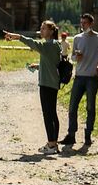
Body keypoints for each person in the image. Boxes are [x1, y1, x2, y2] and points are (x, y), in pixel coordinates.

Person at [4, 20, 67, 153]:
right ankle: (53, 143)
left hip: (47, 83)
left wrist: (18, 36)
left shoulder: (48, 45)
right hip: (52, 82)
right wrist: (39, 66)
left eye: (44, 28)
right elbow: (52, 63)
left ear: (51, 31)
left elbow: (32, 43)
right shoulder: (55, 45)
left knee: (47, 114)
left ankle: (51, 144)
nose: (41, 30)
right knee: (52, 113)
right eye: (41, 28)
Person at [62, 13, 98, 146]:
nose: (82, 25)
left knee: (90, 107)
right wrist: (76, 58)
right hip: (78, 77)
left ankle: (88, 135)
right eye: (81, 22)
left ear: (91, 24)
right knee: (72, 107)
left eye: (85, 23)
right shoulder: (77, 38)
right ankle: (71, 135)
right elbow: (71, 57)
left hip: (92, 79)